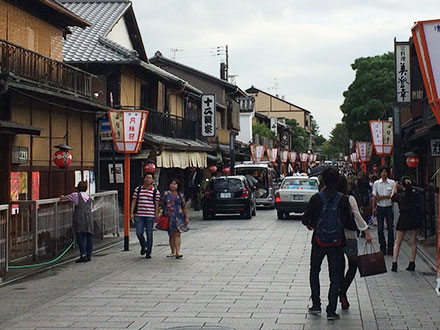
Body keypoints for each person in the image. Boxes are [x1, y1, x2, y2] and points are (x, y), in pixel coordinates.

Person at [302, 167, 351, 320]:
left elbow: (305, 219)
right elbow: (347, 220)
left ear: (323, 179)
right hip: (336, 242)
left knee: (314, 271)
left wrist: (313, 225)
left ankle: (316, 304)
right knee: (335, 275)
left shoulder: (316, 198)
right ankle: (331, 310)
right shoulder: (343, 199)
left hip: (318, 241)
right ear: (337, 180)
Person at [335, 176, 373, 310]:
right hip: (350, 236)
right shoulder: (349, 199)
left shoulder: (331, 198)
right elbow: (357, 215)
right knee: (353, 265)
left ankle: (339, 292)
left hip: (335, 237)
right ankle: (343, 291)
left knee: (339, 267)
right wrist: (366, 231)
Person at [390, 177, 422, 272]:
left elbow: (391, 198)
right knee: (413, 240)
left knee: (398, 241)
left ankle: (394, 263)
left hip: (403, 217)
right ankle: (412, 263)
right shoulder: (414, 194)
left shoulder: (400, 195)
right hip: (413, 217)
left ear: (401, 184)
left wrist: (394, 188)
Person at [61, 181, 93, 263]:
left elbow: (65, 198)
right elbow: (91, 208)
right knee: (89, 236)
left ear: (78, 188)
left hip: (79, 219)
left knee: (80, 237)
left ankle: (83, 255)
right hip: (88, 219)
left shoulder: (76, 195)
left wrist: (62, 197)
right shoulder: (89, 197)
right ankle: (89, 255)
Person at [130, 172, 160, 259]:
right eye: (147, 177)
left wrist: (156, 214)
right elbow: (134, 201)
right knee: (139, 232)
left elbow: (156, 203)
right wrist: (131, 212)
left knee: (149, 233)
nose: (148, 179)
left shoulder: (155, 192)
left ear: (152, 180)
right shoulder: (138, 189)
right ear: (144, 179)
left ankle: (148, 251)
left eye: (150, 178)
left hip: (150, 215)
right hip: (140, 214)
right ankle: (144, 245)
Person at [161, 178, 189, 259]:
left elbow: (184, 206)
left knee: (178, 233)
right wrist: (158, 214)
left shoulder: (180, 195)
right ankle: (172, 251)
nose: (173, 185)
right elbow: (162, 205)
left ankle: (178, 252)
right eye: (171, 183)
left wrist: (186, 217)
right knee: (171, 234)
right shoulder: (165, 194)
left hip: (179, 216)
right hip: (169, 216)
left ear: (177, 185)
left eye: (174, 184)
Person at [372, 166, 395, 255]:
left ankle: (390, 248)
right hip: (380, 207)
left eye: (385, 171)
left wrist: (381, 197)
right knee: (380, 228)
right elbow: (375, 196)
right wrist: (373, 207)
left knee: (390, 228)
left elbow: (393, 196)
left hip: (389, 207)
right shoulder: (376, 183)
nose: (384, 173)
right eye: (382, 172)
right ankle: (382, 247)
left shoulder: (392, 183)